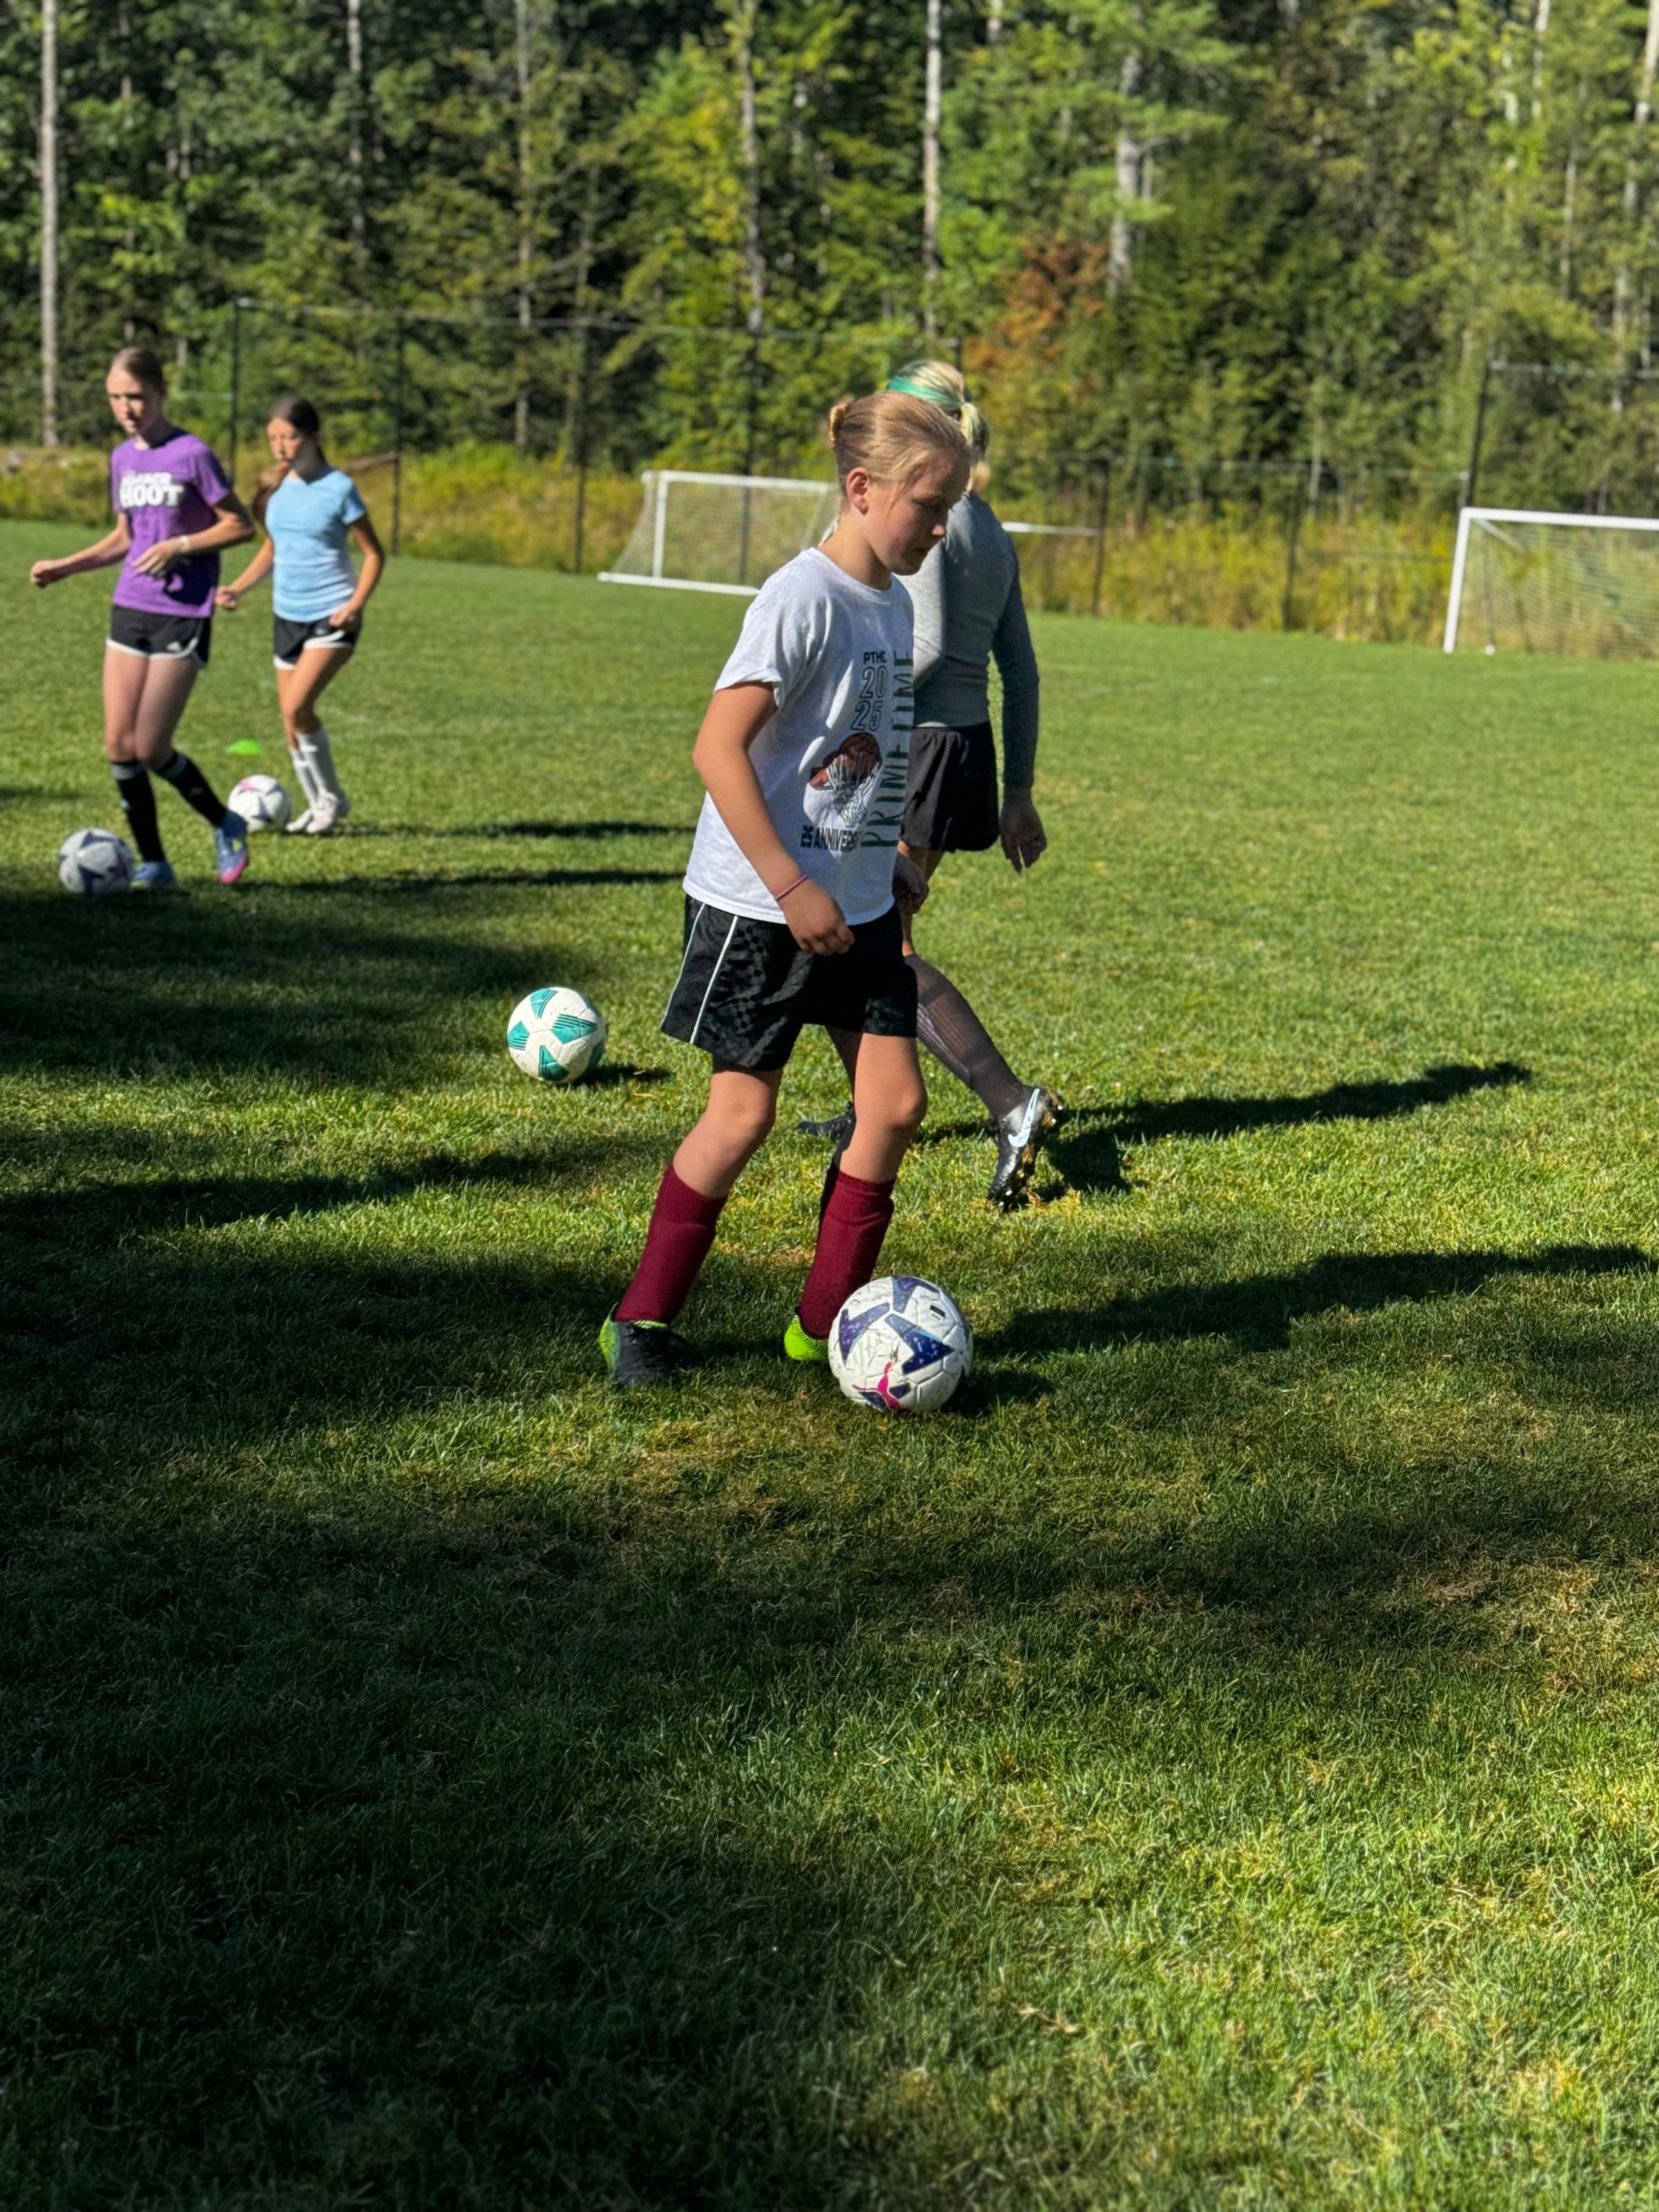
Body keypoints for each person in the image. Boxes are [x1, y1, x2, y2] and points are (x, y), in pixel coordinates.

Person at [601, 389, 972, 1389]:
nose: (941, 531)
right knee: (742, 1118)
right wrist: (792, 883)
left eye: (951, 512)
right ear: (861, 490)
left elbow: (870, 747)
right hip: (760, 907)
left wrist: (884, 853)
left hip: (857, 903)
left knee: (892, 1108)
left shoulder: (892, 602)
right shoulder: (801, 597)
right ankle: (640, 1321)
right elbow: (717, 749)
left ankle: (825, 1331)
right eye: (929, 508)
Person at [804, 359, 1062, 1209]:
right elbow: (1018, 671)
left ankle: (1011, 1101)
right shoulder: (985, 524)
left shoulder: (937, 528)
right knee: (867, 932)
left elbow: (921, 644)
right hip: (956, 746)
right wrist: (1016, 788)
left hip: (915, 746)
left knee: (888, 946)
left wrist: (840, 707)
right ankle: (865, 1107)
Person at [28, 345, 256, 888]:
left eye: (135, 396)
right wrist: (69, 565)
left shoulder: (192, 453)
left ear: (159, 394)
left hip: (183, 611)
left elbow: (240, 526)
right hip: (130, 605)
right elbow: (125, 539)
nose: (126, 408)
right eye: (116, 398)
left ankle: (226, 823)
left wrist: (180, 545)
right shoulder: (122, 458)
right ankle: (155, 862)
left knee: (151, 747)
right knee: (118, 744)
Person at [216, 395, 384, 834]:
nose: (281, 447)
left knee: (297, 709)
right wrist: (238, 587)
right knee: (290, 724)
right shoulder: (277, 492)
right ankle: (319, 804)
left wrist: (354, 605)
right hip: (285, 617)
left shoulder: (339, 488)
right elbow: (273, 549)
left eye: (289, 437)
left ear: (312, 436)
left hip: (332, 616)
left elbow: (373, 554)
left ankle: (331, 801)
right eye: (273, 438)